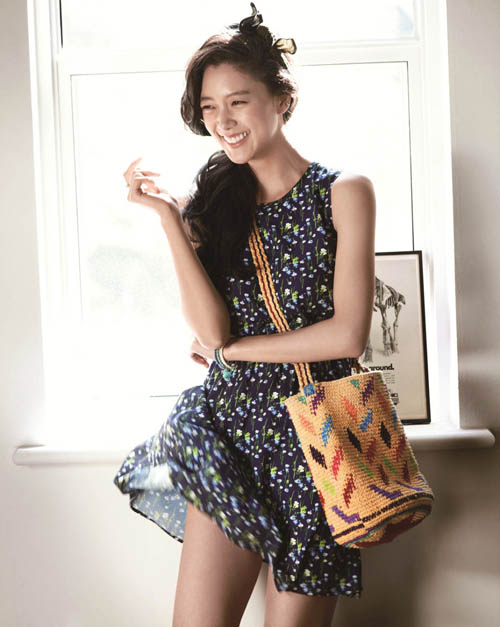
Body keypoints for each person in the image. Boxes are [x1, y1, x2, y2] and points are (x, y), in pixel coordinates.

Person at [115, 3, 376, 626]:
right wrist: (171, 221)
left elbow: (348, 335)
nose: (223, 122)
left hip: (321, 446)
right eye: (209, 108)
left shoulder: (344, 192)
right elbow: (209, 332)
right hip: (232, 437)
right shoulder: (212, 205)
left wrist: (235, 352)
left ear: (282, 99)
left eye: (238, 102)